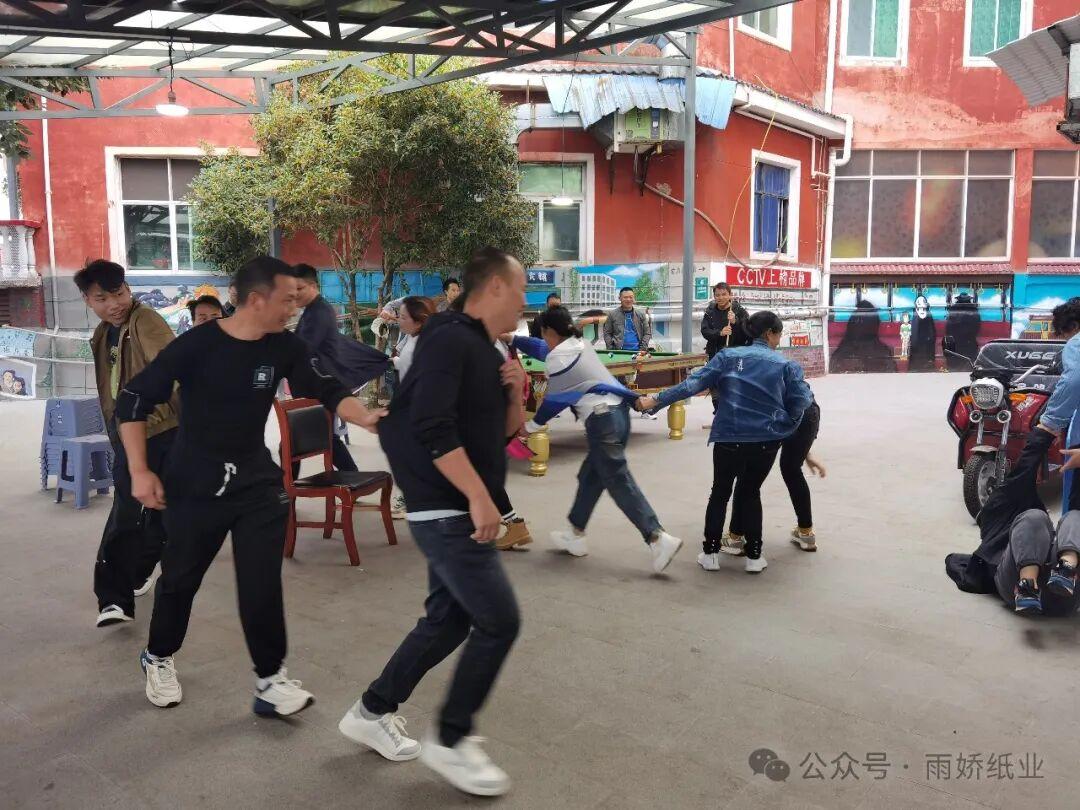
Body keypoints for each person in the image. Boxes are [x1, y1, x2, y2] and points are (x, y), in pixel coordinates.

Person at [116, 255, 386, 716]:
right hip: (196, 484)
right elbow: (132, 401)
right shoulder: (197, 345)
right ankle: (158, 655)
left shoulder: (284, 346)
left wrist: (364, 417)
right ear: (257, 300)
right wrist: (140, 471)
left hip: (256, 482)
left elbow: (325, 387)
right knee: (181, 580)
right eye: (287, 300)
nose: (293, 309)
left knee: (261, 583)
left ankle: (269, 679)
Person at [338, 248, 526, 797]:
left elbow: (504, 432)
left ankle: (371, 711)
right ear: (494, 287)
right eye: (519, 291)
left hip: (454, 505)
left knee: (447, 621)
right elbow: (432, 425)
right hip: (446, 508)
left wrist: (514, 390)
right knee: (499, 620)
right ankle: (451, 738)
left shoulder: (486, 348)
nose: (523, 303)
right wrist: (480, 497)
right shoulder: (448, 338)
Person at [639, 311, 812, 574]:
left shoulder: (726, 357)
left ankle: (710, 555)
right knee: (751, 493)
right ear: (769, 334)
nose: (779, 341)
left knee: (720, 492)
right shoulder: (787, 365)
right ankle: (754, 558)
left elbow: (691, 385)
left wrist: (655, 400)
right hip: (765, 440)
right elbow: (801, 401)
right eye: (778, 335)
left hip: (728, 436)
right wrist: (786, 424)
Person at [512, 307, 682, 572]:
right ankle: (575, 534)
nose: (543, 339)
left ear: (550, 332)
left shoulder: (559, 358)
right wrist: (512, 339)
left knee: (618, 480)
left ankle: (657, 537)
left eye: (543, 333)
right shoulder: (578, 344)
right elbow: (542, 349)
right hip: (618, 417)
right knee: (590, 477)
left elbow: (554, 402)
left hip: (603, 423)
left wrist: (529, 427)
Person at [76, 259, 179, 628]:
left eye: (118, 293)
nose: (114, 304)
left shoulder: (145, 321)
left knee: (129, 513)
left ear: (128, 289)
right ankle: (135, 576)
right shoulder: (105, 332)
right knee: (153, 510)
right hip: (130, 434)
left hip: (159, 432)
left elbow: (173, 370)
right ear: (88, 300)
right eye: (102, 298)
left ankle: (114, 597)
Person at [293, 263, 391, 476]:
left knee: (313, 439)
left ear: (313, 286)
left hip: (321, 387)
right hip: (316, 388)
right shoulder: (312, 311)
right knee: (318, 438)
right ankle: (286, 489)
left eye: (299, 288)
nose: (295, 294)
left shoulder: (319, 312)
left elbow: (303, 348)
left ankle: (285, 491)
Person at [726, 398, 825, 554]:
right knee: (792, 469)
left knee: (747, 476)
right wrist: (805, 452)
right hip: (807, 410)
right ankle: (806, 533)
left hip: (773, 411)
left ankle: (735, 538)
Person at [700, 282, 750, 358]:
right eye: (717, 295)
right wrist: (720, 333)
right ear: (714, 296)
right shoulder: (710, 311)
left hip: (735, 355)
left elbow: (747, 333)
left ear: (730, 295)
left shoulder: (739, 311)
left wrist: (735, 322)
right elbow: (705, 331)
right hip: (714, 355)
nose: (721, 298)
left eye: (724, 294)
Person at [603, 287, 651, 354]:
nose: (628, 299)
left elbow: (647, 333)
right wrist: (611, 349)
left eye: (631, 297)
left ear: (634, 298)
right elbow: (607, 333)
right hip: (618, 352)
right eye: (625, 297)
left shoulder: (641, 315)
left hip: (638, 351)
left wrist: (642, 349)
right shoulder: (612, 314)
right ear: (619, 298)